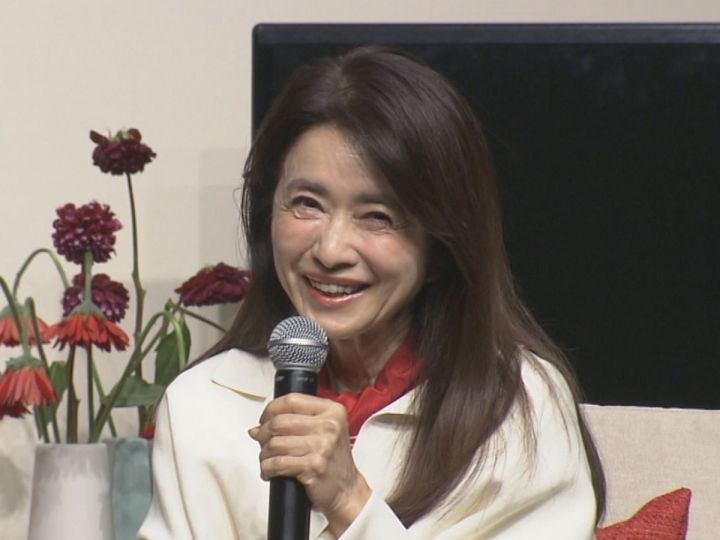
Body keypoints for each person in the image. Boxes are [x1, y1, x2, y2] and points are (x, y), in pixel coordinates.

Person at [138, 45, 605, 539]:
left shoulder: (517, 405)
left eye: (377, 216)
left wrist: (348, 500)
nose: (331, 250)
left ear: (440, 248)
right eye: (307, 203)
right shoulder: (201, 403)